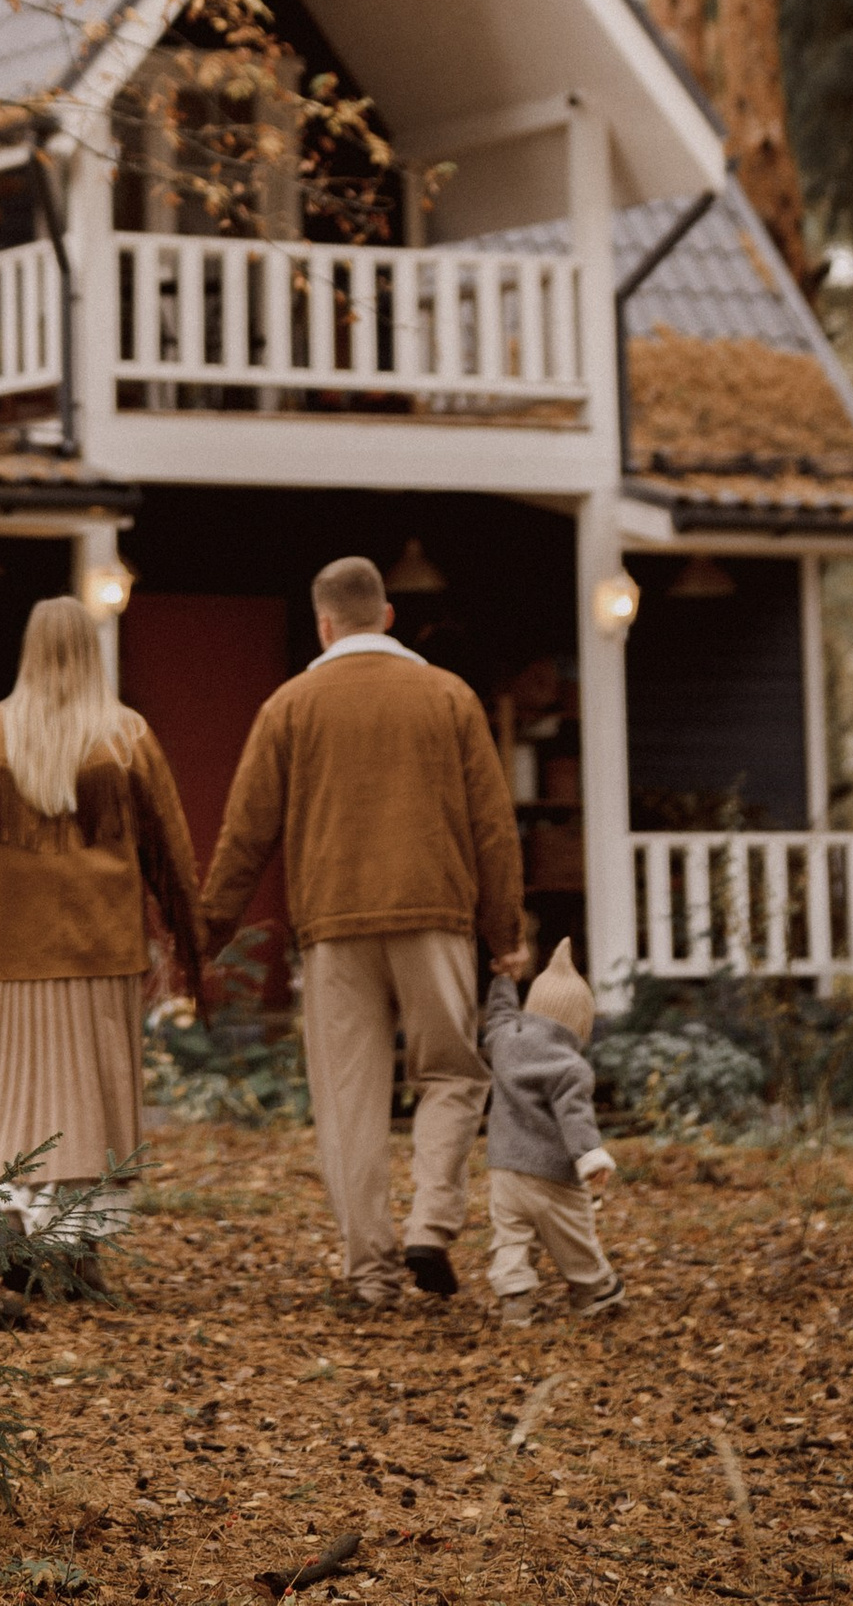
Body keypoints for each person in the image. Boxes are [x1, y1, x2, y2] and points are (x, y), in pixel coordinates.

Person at [200, 551, 526, 1310]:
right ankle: (432, 1224)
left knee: (348, 1098)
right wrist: (503, 929)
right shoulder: (449, 695)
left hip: (334, 925)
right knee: (450, 1073)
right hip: (435, 917)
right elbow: (493, 826)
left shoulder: (289, 705)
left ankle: (371, 1273)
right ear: (387, 616)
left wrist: (206, 935)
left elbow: (244, 834)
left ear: (324, 625)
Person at [0, 593, 201, 1248]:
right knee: (94, 1095)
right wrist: (188, 942)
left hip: (16, 949)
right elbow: (169, 852)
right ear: (91, 652)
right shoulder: (126, 736)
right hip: (106, 945)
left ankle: (11, 1209)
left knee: (14, 1087)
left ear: (29, 651)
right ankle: (74, 1241)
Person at [480, 933, 622, 1323]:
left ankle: (515, 1298)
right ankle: (594, 1288)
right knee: (572, 1232)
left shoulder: (506, 1040)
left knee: (511, 1235)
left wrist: (504, 982)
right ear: (579, 1025)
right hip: (552, 1176)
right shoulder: (571, 1067)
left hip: (505, 1169)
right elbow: (575, 1117)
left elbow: (499, 1017)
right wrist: (590, 1157)